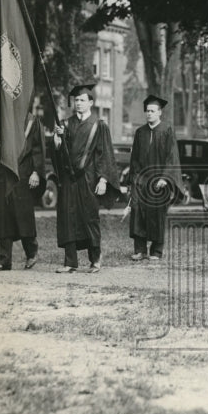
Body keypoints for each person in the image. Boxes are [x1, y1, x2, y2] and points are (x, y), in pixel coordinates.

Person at [51, 83, 116, 273]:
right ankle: (70, 262)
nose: (78, 103)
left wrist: (103, 179)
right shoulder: (65, 124)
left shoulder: (99, 125)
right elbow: (59, 154)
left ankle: (95, 259)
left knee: (89, 218)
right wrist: (57, 140)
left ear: (91, 102)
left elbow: (105, 154)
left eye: (82, 100)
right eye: (76, 100)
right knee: (68, 218)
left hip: (89, 179)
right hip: (69, 179)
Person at [0, 111, 45, 271]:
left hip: (22, 174)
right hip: (2, 173)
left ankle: (31, 252)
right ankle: (4, 260)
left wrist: (36, 171)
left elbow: (38, 149)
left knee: (22, 216)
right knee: (2, 216)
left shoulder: (30, 121)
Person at [127, 94, 184, 262]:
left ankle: (156, 251)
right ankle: (140, 249)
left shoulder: (167, 130)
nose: (149, 114)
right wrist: (134, 178)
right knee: (138, 212)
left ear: (160, 113)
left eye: (152, 111)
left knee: (157, 214)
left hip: (160, 181)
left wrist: (165, 178)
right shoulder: (140, 132)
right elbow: (135, 158)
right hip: (142, 180)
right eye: (147, 111)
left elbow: (171, 156)